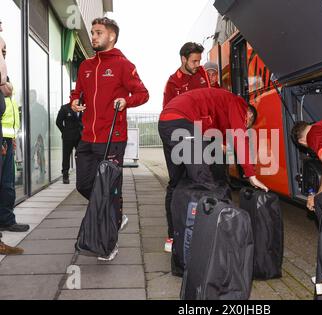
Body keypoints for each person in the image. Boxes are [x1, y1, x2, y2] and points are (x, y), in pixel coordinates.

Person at [71, 17, 149, 261]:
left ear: (111, 37)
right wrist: (73, 102)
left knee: (108, 190)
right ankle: (116, 214)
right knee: (84, 184)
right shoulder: (85, 66)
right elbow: (77, 93)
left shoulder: (124, 65)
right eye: (92, 32)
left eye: (98, 33)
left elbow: (142, 93)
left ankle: (109, 243)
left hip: (113, 137)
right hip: (87, 137)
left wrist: (127, 100)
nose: (93, 36)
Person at [159, 87, 269, 253]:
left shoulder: (218, 108)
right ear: (247, 113)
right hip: (182, 121)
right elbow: (239, 136)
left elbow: (209, 131)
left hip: (166, 122)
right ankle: (211, 241)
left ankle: (175, 237)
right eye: (246, 122)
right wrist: (251, 174)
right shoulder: (237, 102)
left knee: (177, 182)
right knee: (205, 182)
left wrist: (220, 143)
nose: (244, 125)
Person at [0, 32, 29, 234]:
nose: (4, 54)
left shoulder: (6, 79)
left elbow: (12, 110)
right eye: (2, 50)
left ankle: (7, 220)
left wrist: (14, 137)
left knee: (8, 184)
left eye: (4, 51)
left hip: (8, 138)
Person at [162, 42, 210, 108]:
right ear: (184, 59)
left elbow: (210, 99)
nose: (198, 64)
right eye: (194, 61)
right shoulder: (172, 83)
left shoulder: (203, 71)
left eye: (199, 61)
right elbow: (167, 112)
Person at [56, 92, 83, 184]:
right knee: (66, 156)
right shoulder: (65, 108)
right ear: (70, 97)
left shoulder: (82, 107)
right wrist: (65, 131)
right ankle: (65, 175)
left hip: (79, 137)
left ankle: (81, 175)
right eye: (73, 97)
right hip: (68, 137)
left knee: (80, 156)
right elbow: (58, 122)